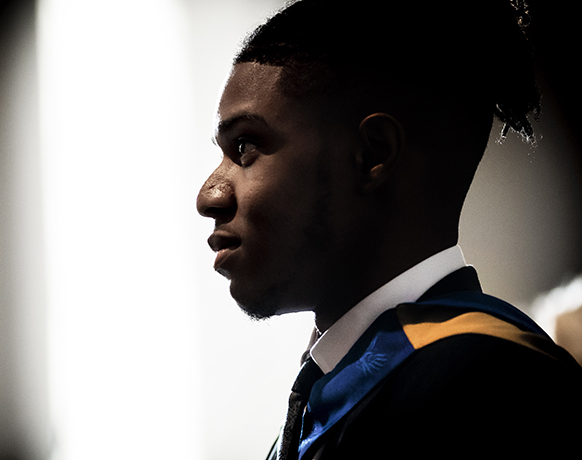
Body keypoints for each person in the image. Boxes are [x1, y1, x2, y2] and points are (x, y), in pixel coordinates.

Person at [195, 0, 582, 458]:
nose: (210, 196)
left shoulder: (492, 388)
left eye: (245, 145)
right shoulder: (347, 387)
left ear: (372, 154)